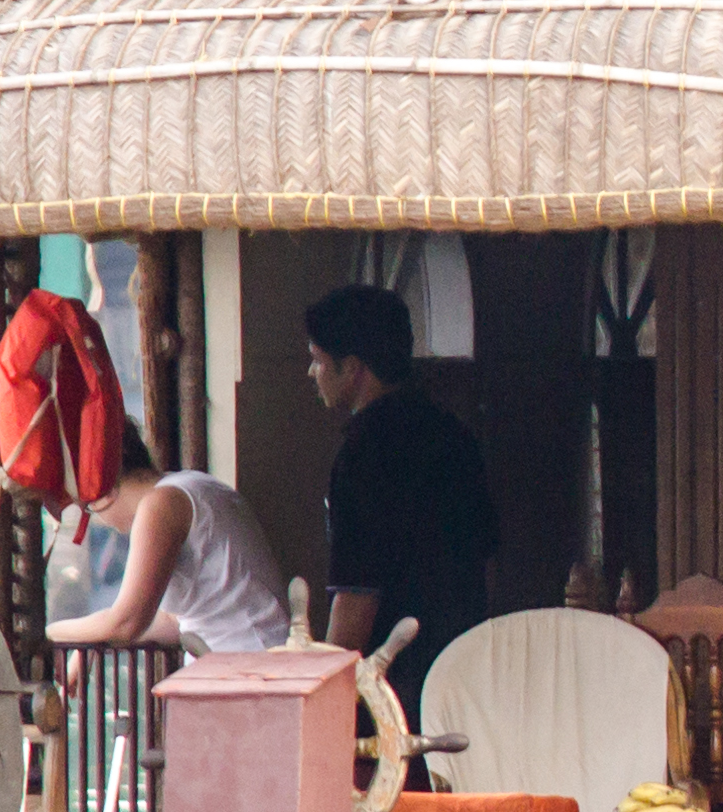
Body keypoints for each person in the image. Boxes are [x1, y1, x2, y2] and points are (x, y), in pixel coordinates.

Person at [305, 277, 492, 677]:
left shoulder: (361, 455)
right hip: (465, 663)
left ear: (352, 367)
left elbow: (357, 596)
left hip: (393, 677)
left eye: (319, 360)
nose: (312, 372)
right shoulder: (453, 433)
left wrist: (324, 689)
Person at [42, 412, 293, 656]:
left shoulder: (161, 505)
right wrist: (92, 645)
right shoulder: (189, 484)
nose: (100, 521)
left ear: (102, 493)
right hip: (252, 661)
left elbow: (127, 622)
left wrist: (51, 632)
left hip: (248, 668)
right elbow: (172, 623)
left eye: (88, 508)